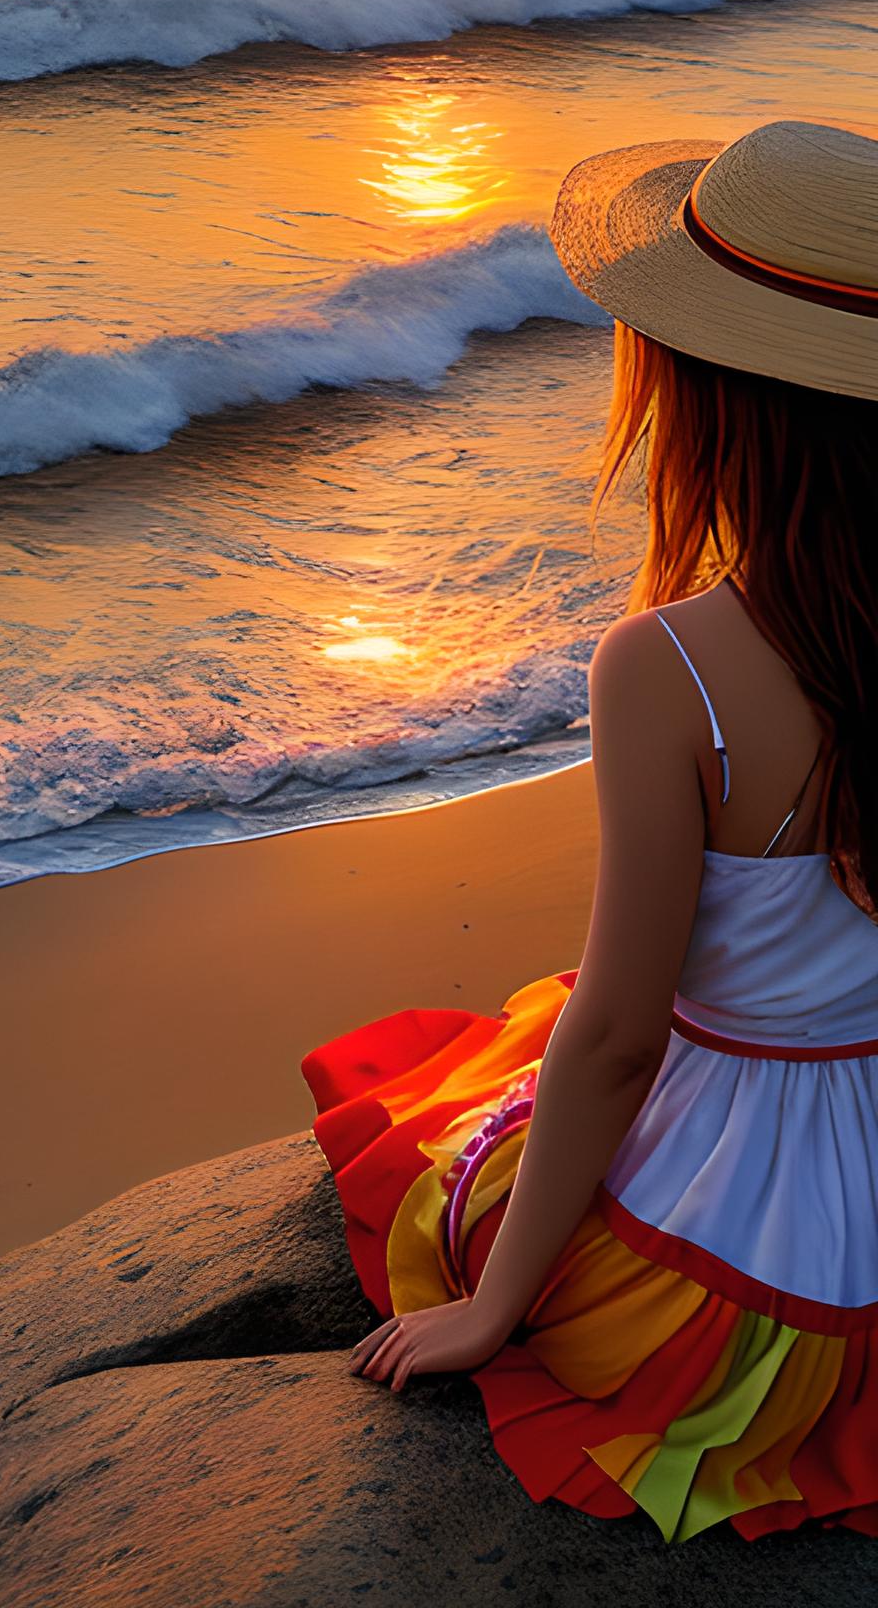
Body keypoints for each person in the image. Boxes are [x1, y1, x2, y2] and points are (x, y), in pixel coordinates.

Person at [303, 118, 878, 1543]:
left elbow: (623, 1039)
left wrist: (499, 1310)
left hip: (754, 1308)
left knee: (482, 1128)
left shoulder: (672, 665)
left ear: (701, 394)